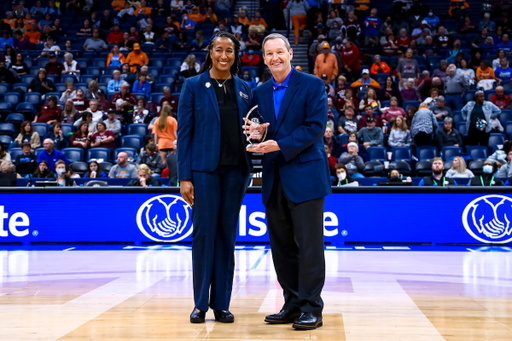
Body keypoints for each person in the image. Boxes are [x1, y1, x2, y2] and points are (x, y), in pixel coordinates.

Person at [246, 33, 330, 330]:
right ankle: (292, 304)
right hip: (274, 177)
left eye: (279, 52)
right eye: (269, 54)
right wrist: (257, 135)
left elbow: (314, 128)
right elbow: (262, 131)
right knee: (282, 247)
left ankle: (312, 308)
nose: (275, 58)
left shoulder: (312, 85)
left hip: (305, 176)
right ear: (264, 58)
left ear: (290, 53)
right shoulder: (260, 91)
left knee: (309, 246)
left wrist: (277, 144)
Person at [178, 31, 254, 325]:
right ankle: (199, 305)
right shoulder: (193, 86)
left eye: (230, 51)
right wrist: (185, 176)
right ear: (210, 52)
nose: (224, 56)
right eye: (219, 50)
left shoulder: (245, 88)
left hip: (236, 172)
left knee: (226, 236)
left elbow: (253, 127)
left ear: (236, 55)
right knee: (204, 235)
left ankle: (221, 303)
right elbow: (184, 135)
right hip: (204, 172)